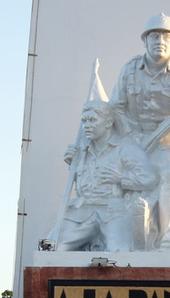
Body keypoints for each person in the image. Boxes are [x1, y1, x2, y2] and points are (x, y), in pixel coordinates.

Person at [109, 13, 170, 249]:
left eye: (166, 36)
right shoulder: (129, 69)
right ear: (145, 41)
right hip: (132, 139)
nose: (159, 40)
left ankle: (169, 235)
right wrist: (132, 135)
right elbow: (116, 107)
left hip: (167, 143)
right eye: (154, 35)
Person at [54, 100, 155, 252]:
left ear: (108, 122)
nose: (86, 125)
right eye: (84, 120)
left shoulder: (126, 148)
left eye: (92, 120)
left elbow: (149, 179)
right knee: (53, 248)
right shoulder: (81, 151)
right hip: (82, 212)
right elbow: (81, 184)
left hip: (114, 212)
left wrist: (121, 178)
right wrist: (72, 164)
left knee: (120, 251)